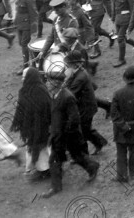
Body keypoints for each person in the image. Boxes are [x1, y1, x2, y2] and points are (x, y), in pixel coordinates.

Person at [41, 69, 99, 198]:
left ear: (56, 83)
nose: (47, 83)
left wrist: (64, 133)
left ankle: (93, 166)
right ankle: (56, 187)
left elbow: (74, 119)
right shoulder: (52, 95)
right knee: (54, 160)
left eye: (49, 82)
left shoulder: (67, 97)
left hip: (69, 136)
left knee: (77, 156)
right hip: (57, 134)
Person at [110, 65, 134, 184]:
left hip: (120, 131)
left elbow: (114, 113)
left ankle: (121, 176)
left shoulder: (117, 93)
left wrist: (124, 125)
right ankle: (133, 176)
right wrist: (133, 125)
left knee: (121, 153)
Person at [10, 67, 51, 182]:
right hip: (31, 127)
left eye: (24, 77)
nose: (22, 79)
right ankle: (41, 169)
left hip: (41, 127)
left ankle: (46, 171)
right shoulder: (24, 90)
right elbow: (21, 108)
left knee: (42, 149)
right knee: (36, 149)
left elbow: (47, 109)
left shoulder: (41, 91)